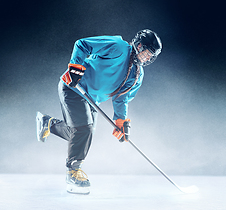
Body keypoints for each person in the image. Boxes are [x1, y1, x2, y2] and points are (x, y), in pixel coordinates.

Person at [36, 29, 162, 194]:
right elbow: (83, 44)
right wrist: (75, 66)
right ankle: (73, 173)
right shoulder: (118, 46)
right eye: (146, 52)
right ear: (138, 45)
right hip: (74, 87)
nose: (146, 57)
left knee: (81, 134)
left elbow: (121, 98)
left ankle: (48, 124)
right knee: (83, 130)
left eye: (150, 56)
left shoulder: (137, 75)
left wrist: (120, 120)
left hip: (91, 100)